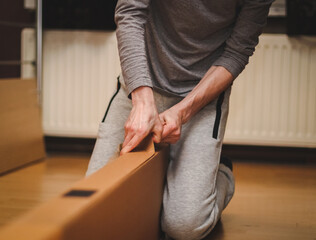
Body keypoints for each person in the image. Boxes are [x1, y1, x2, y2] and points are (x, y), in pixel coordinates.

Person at [86, 0, 273, 239]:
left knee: (183, 227)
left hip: (201, 99)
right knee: (93, 208)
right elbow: (129, 11)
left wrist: (182, 112)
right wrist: (143, 102)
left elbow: (238, 52)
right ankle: (172, 177)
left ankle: (222, 173)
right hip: (140, 87)